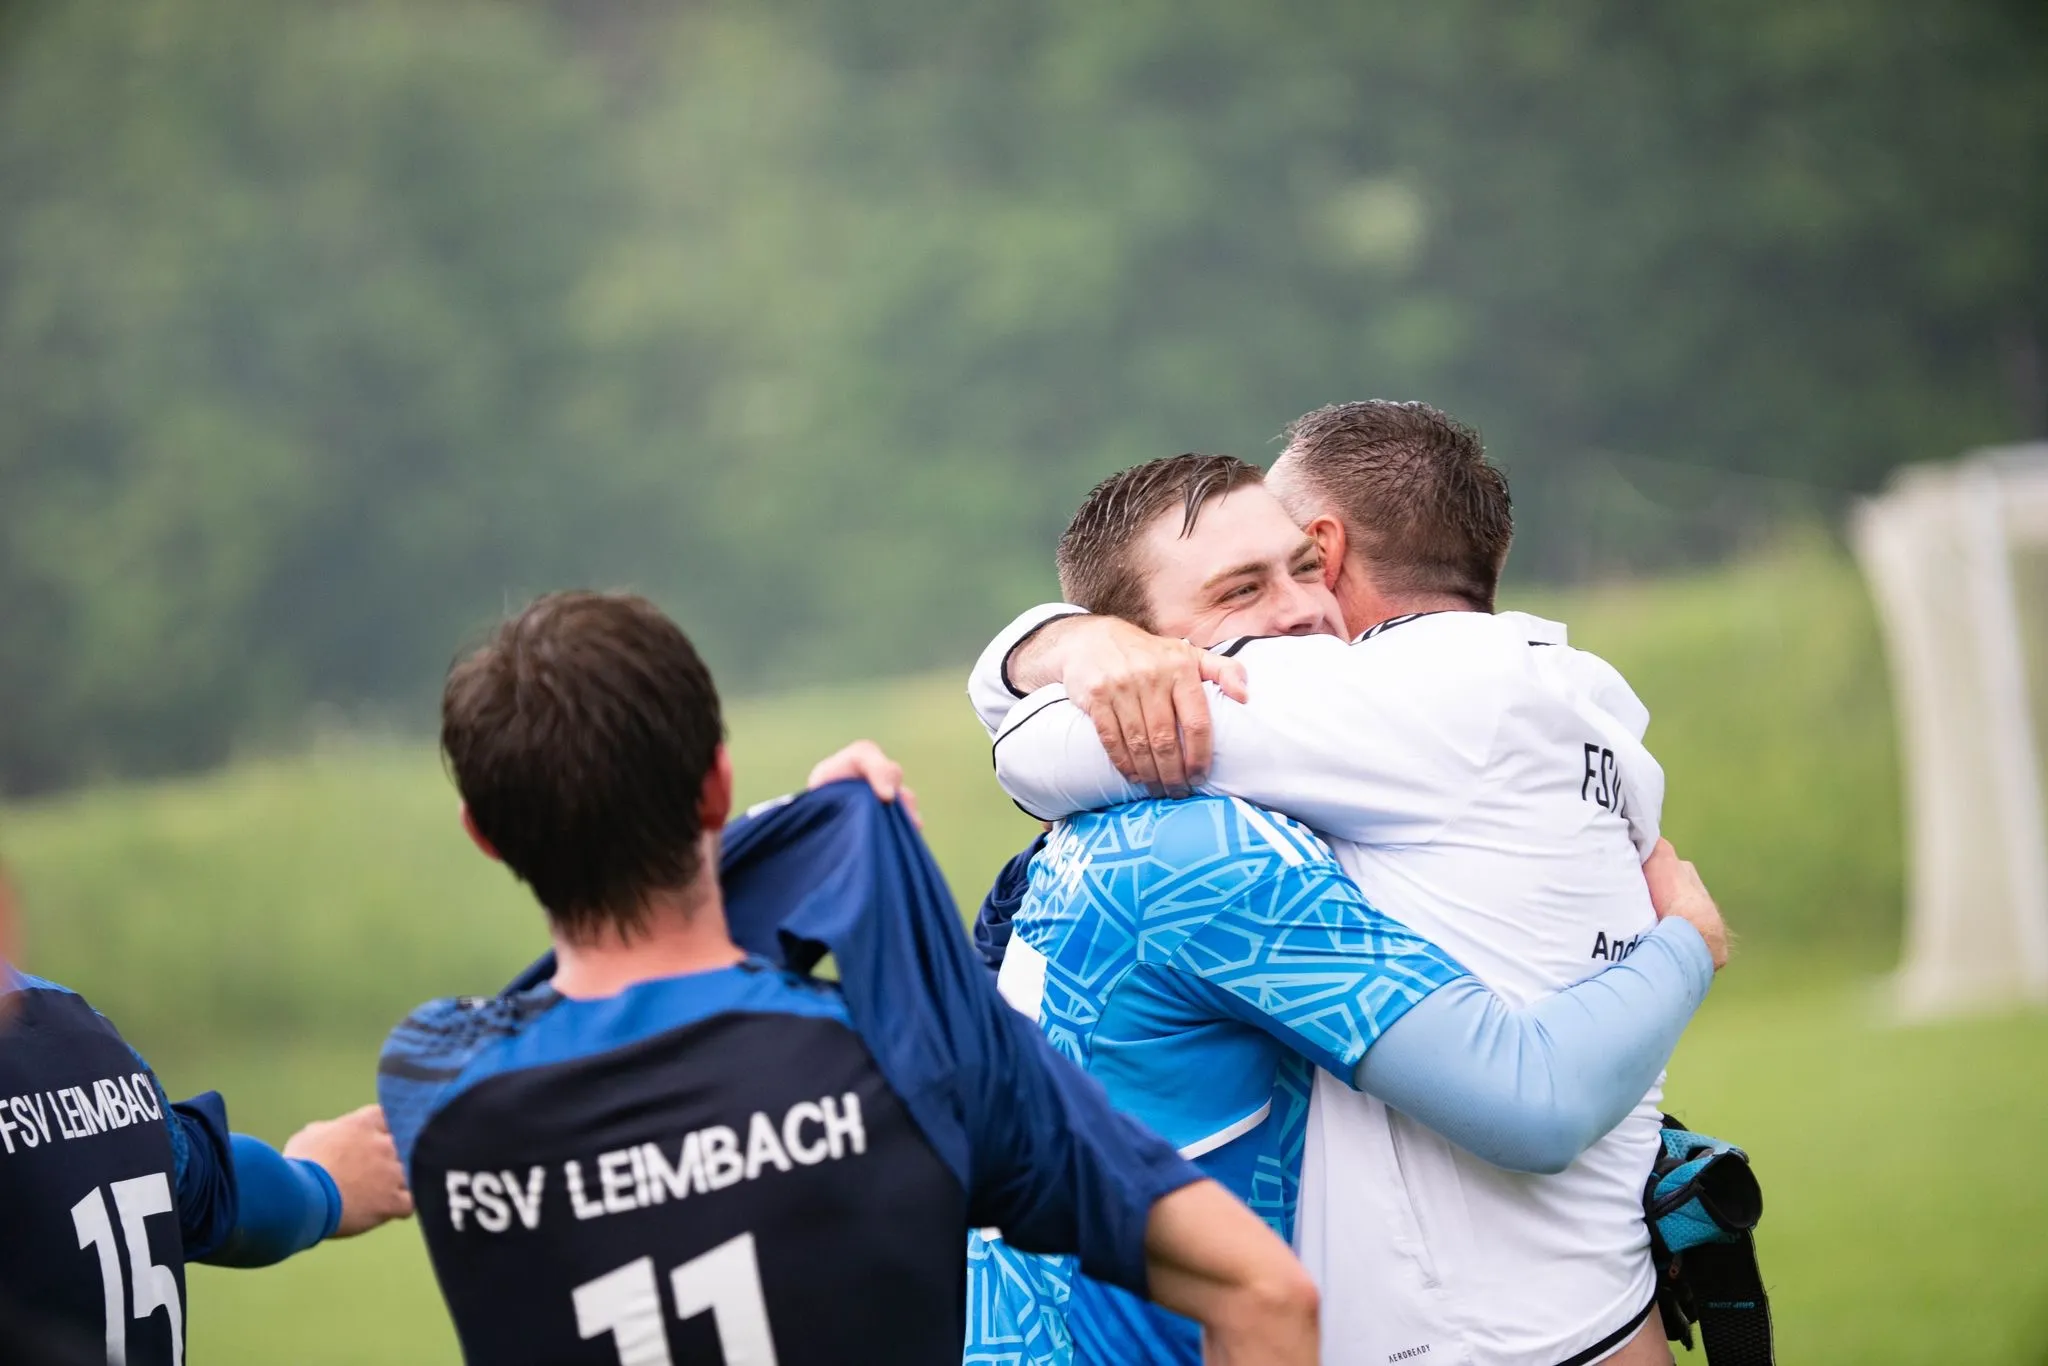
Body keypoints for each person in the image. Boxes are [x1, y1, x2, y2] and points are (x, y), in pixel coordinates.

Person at [377, 591, 1320, 1366]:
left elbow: (577, 1006)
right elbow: (1265, 1293)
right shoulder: (918, 1068)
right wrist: (825, 830)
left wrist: (800, 827)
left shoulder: (435, 1084)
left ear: (485, 836)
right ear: (716, 784)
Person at [970, 418, 1720, 1366]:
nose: (1303, 611)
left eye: (1305, 569)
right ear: (1144, 662)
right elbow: (1532, 1100)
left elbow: (1020, 730)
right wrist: (1687, 941)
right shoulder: (1207, 854)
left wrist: (1053, 648)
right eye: (1241, 591)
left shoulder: (1126, 832)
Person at [0, 858, 414, 1366]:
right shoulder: (85, 1038)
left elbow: (208, 1188)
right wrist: (319, 1184)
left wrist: (323, 1185)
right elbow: (206, 1185)